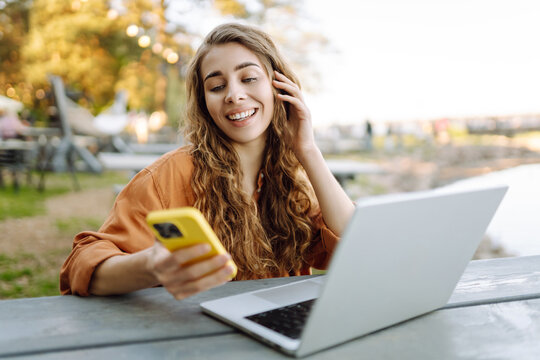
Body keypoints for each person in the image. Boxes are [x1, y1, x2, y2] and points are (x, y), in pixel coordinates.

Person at [60, 23, 355, 300]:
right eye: (216, 86)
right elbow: (82, 264)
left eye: (249, 78)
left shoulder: (294, 175)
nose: (234, 95)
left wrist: (308, 150)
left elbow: (354, 248)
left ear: (280, 87)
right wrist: (150, 266)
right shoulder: (169, 176)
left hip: (279, 333)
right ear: (204, 103)